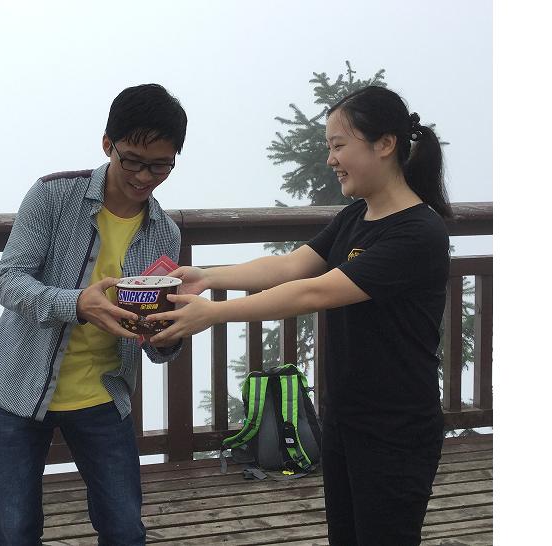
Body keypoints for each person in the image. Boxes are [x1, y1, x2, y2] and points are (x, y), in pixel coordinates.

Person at [147, 85, 452, 545]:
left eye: (339, 145)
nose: (331, 159)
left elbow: (313, 291)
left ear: (385, 144)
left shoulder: (418, 233)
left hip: (397, 429)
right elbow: (289, 266)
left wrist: (214, 314)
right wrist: (207, 277)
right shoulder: (355, 218)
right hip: (346, 418)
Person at [0, 83, 187, 545]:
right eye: (132, 160)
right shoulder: (53, 195)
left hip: (102, 393)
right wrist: (76, 304)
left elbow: (158, 346)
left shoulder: (165, 233)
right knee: (14, 531)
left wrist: (167, 332)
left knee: (125, 529)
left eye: (160, 165)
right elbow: (9, 280)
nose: (144, 176)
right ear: (107, 144)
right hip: (18, 383)